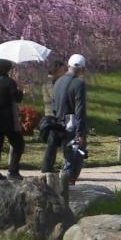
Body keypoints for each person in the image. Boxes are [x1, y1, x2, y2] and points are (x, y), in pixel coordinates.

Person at [42, 53, 88, 183]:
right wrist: (81, 133)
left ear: (68, 66)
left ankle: (65, 182)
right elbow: (80, 110)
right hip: (71, 121)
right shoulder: (79, 83)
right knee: (75, 155)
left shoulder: (58, 81)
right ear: (83, 69)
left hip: (59, 121)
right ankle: (68, 183)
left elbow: (55, 104)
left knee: (67, 153)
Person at [0, 58, 24, 180]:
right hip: (7, 119)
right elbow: (17, 98)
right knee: (18, 144)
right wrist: (21, 89)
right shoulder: (9, 82)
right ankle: (13, 170)